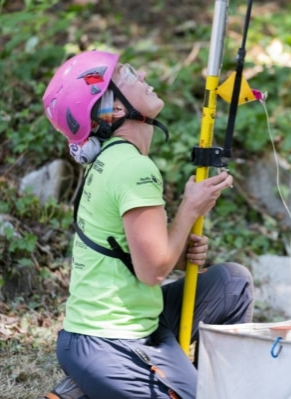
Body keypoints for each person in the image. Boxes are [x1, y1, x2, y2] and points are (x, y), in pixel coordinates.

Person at [40, 50, 254, 399]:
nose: (141, 75)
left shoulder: (117, 158)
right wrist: (189, 208)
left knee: (231, 285)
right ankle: (90, 388)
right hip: (109, 340)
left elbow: (125, 251)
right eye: (129, 77)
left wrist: (178, 252)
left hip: (140, 323)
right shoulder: (132, 168)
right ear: (117, 108)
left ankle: (206, 387)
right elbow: (153, 271)